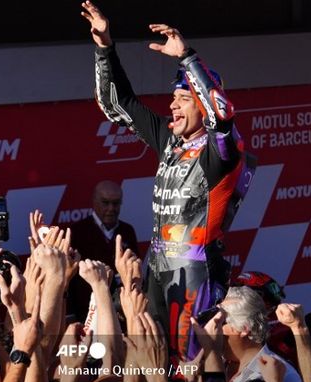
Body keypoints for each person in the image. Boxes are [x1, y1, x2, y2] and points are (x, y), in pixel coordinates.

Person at [82, 1, 255, 361]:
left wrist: (187, 57)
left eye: (182, 99)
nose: (172, 107)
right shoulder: (169, 139)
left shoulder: (222, 152)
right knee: (151, 361)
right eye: (172, 98)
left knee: (190, 367)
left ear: (201, 104)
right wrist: (104, 48)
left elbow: (221, 115)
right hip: (156, 266)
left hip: (195, 271)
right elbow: (119, 104)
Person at [67, 180, 139, 321]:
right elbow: (70, 279)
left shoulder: (127, 231)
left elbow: (135, 272)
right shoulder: (78, 232)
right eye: (105, 202)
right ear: (94, 202)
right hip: (86, 314)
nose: (111, 208)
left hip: (121, 314)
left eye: (116, 203)